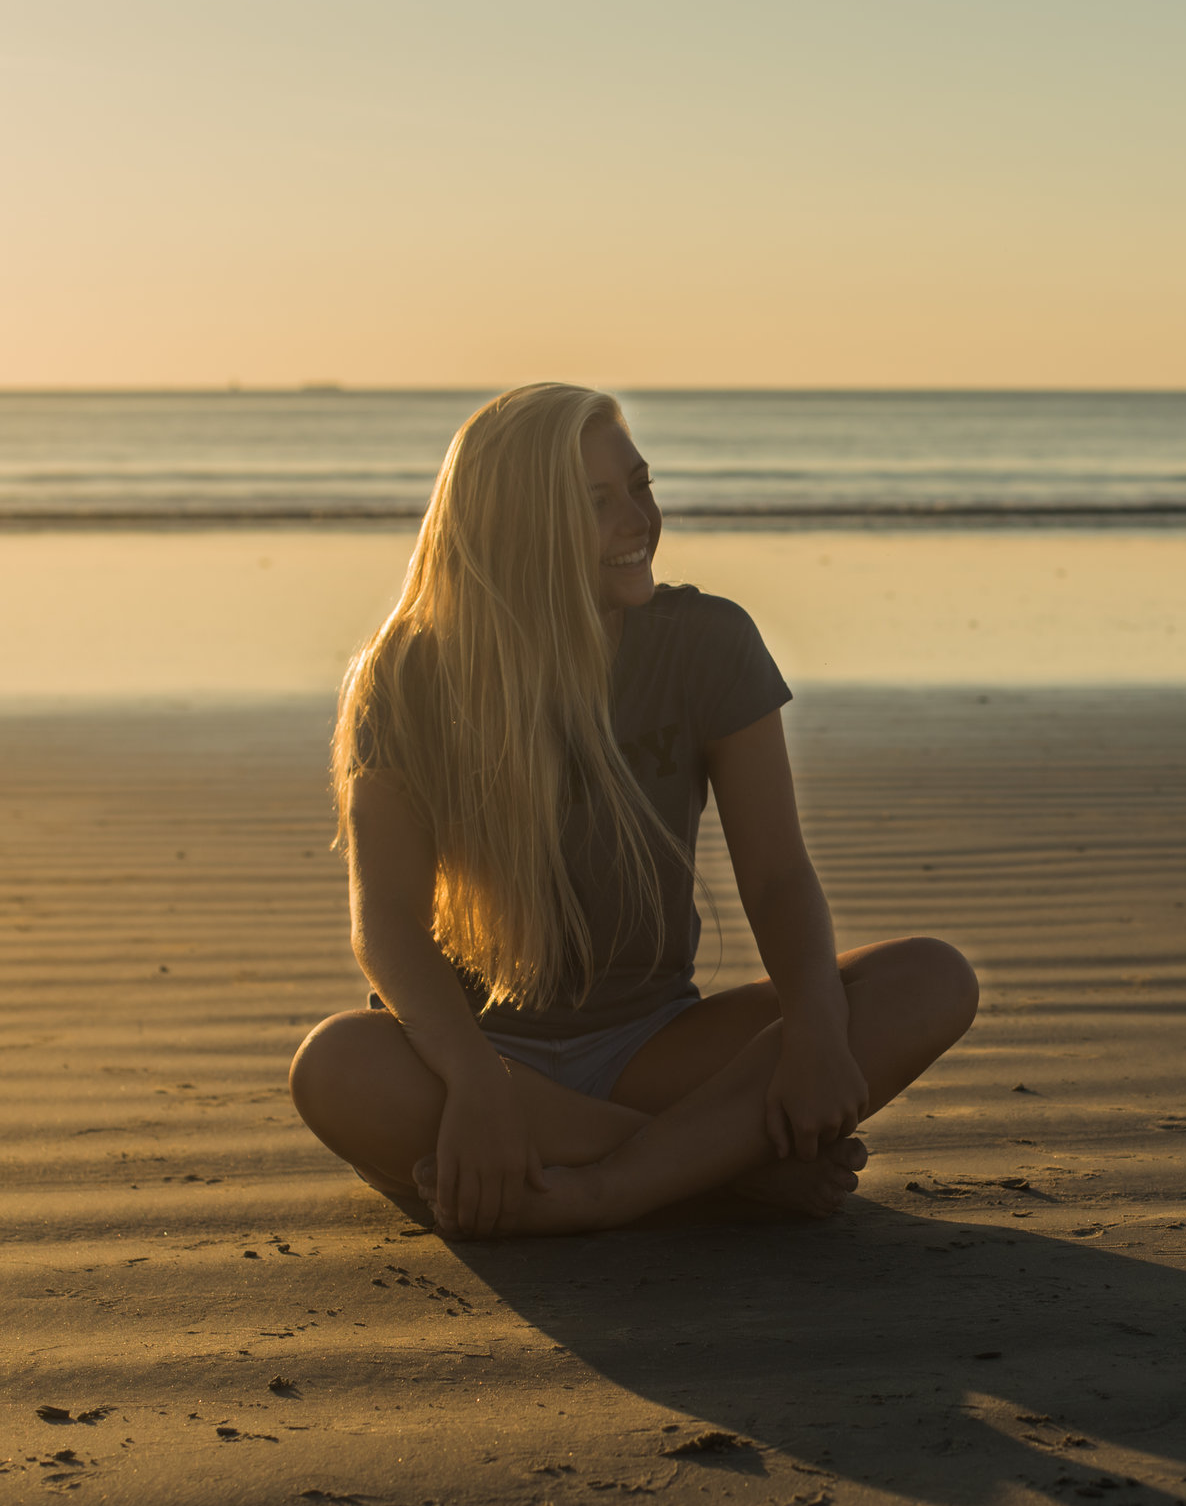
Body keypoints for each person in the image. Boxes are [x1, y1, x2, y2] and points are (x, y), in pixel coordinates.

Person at [287, 383, 978, 1239]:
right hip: (462, 1054)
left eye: (641, 487)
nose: (638, 518)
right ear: (520, 524)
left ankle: (606, 1187)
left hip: (650, 1047)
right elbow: (385, 923)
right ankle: (719, 1175)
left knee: (930, 978)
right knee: (336, 1064)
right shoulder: (407, 678)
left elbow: (776, 874)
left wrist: (815, 1027)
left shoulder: (709, 643)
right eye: (598, 501)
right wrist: (476, 1082)